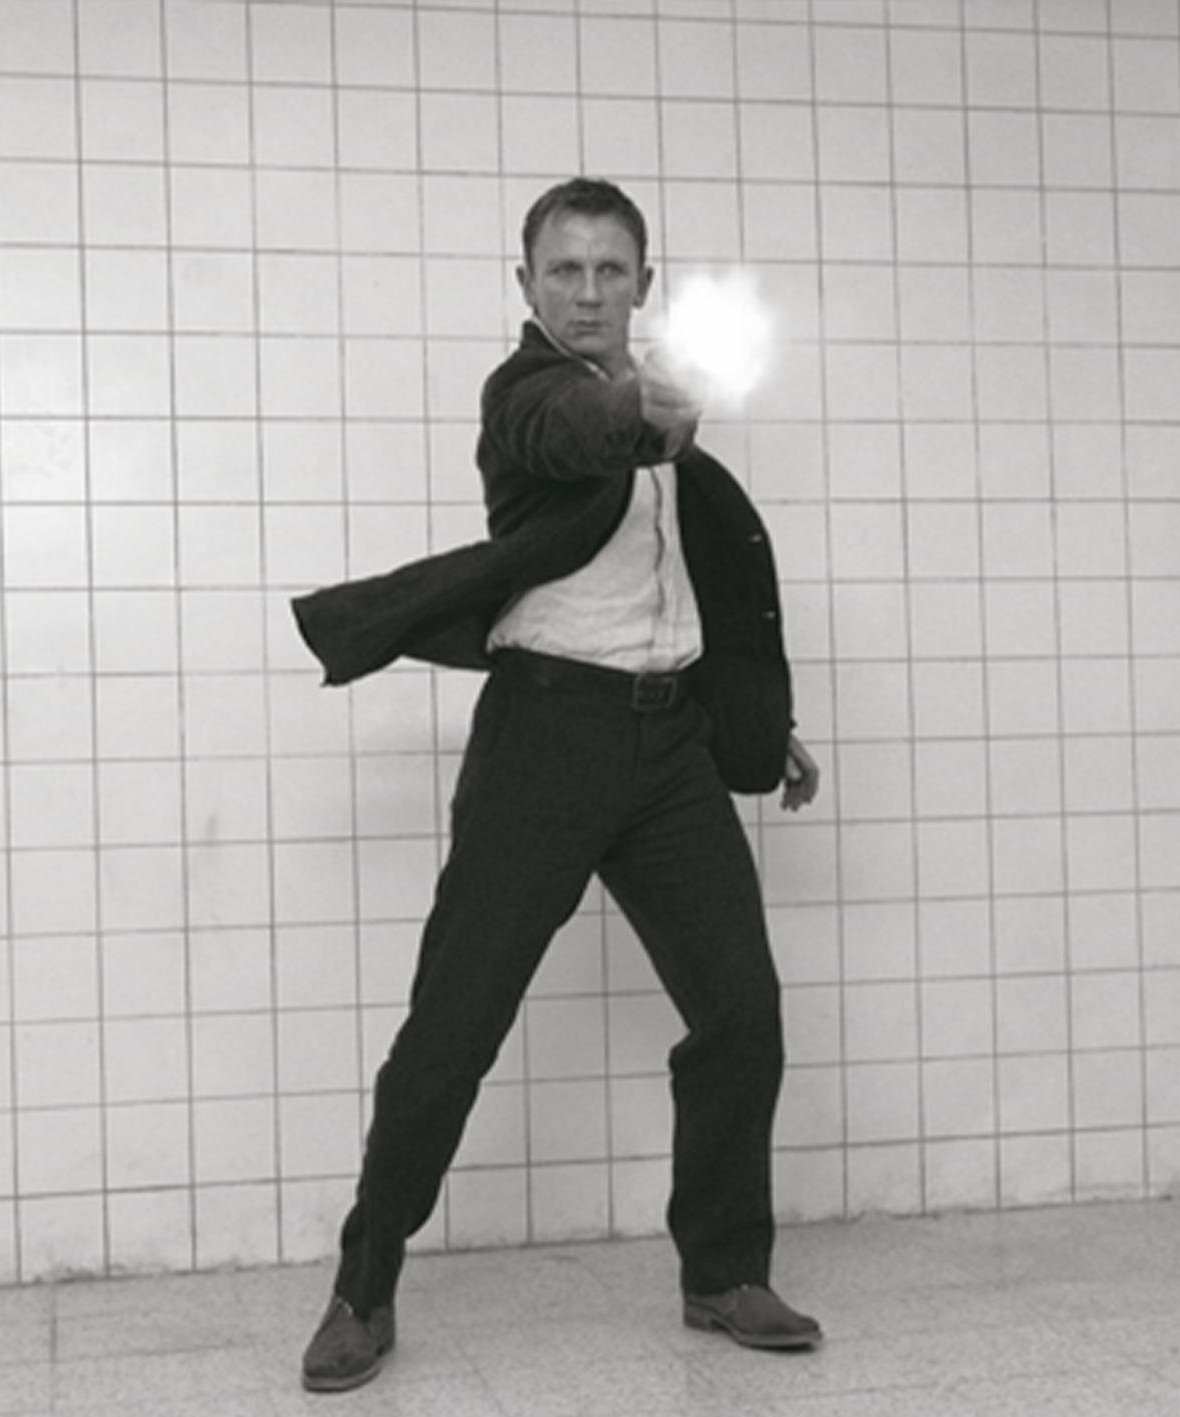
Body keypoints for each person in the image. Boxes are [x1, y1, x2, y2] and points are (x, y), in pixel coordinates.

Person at [289, 177, 821, 1394]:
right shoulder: (529, 398)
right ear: (526, 285)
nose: (588, 292)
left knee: (741, 1009)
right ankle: (362, 1289)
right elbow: (570, 434)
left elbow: (680, 592)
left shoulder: (677, 443)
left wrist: (759, 723)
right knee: (454, 1024)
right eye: (565, 271)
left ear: (644, 283)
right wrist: (636, 404)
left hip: (667, 745)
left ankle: (723, 1273)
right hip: (545, 737)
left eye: (610, 270)